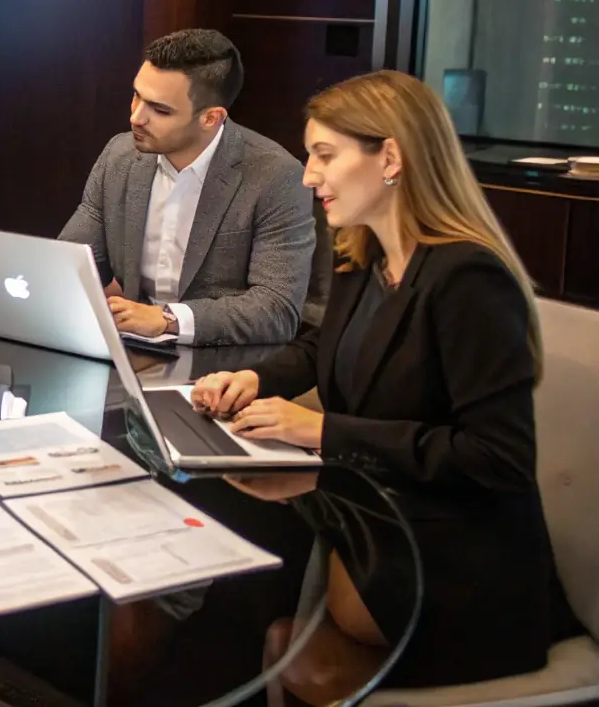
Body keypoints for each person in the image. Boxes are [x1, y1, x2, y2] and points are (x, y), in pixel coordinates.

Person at [192, 70, 573, 701]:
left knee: (244, 574)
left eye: (324, 155)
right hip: (377, 510)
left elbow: (496, 457)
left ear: (390, 157)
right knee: (230, 536)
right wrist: (255, 377)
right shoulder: (363, 252)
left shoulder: (469, 281)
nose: (308, 176)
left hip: (458, 565)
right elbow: (328, 347)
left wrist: (323, 433)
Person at [60, 29, 315, 346]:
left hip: (222, 358)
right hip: (133, 346)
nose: (136, 117)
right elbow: (72, 262)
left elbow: (277, 310)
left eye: (160, 110)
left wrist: (167, 319)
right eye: (137, 95)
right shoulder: (119, 156)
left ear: (211, 118)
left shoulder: (275, 176)